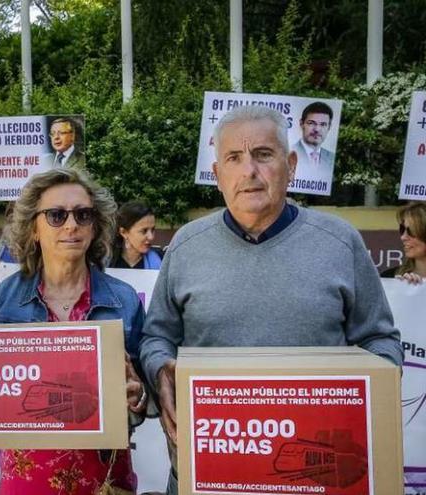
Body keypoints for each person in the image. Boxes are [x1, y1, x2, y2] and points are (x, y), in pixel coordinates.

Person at [139, 105, 403, 495]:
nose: (249, 171)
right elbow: (155, 337)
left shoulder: (339, 241)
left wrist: (364, 395)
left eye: (263, 154)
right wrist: (160, 370)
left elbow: (382, 343)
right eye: (234, 158)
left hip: (313, 473)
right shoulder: (186, 246)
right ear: (217, 175)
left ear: (290, 164)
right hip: (210, 468)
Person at [0, 168, 147, 494]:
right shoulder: (5, 299)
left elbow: (144, 393)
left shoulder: (123, 300)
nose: (72, 225)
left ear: (95, 226)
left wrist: (138, 396)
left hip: (103, 475)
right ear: (33, 228)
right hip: (28, 475)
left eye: (83, 215)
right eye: (56, 215)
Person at [381, 202, 426, 285]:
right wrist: (399, 290)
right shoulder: (389, 277)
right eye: (402, 230)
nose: (403, 237)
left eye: (411, 231)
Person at [111, 201, 163, 270]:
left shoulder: (161, 260)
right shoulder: (106, 263)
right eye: (144, 231)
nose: (151, 237)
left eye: (152, 230)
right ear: (123, 232)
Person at [292, 101, 335, 181]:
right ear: (301, 124)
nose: (317, 129)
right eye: (311, 123)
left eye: (323, 124)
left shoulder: (332, 158)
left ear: (329, 127)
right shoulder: (288, 153)